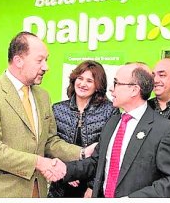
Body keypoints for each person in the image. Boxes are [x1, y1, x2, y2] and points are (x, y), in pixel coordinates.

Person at [0, 32, 81, 198]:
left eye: (46, 60)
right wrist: (40, 162)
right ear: (19, 61)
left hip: (38, 190)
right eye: (40, 60)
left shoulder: (43, 96)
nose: (46, 67)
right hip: (3, 192)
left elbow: (49, 142)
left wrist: (82, 153)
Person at [62, 63, 170, 198]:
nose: (111, 89)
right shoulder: (112, 123)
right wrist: (65, 169)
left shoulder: (165, 130)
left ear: (134, 90)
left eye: (116, 83)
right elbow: (96, 163)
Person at [48, 60, 119, 198]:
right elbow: (49, 144)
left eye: (89, 81)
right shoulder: (57, 109)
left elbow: (109, 152)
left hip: (92, 186)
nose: (82, 84)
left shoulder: (110, 111)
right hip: (61, 184)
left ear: (98, 85)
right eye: (80, 78)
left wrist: (93, 186)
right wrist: (67, 171)